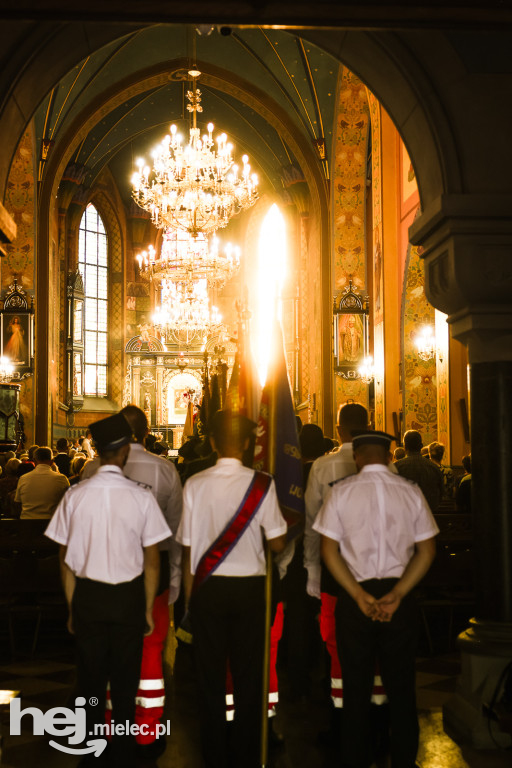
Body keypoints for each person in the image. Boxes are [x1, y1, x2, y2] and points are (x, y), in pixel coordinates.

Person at [45, 412, 171, 768]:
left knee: (90, 681)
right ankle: (123, 753)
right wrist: (147, 608)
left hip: (88, 597)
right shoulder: (142, 497)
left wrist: (73, 607)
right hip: (128, 597)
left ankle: (90, 755)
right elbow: (153, 562)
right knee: (126, 681)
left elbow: (66, 559)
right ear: (126, 451)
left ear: (97, 452)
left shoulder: (75, 496)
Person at [314, 430, 438, 768]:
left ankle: (355, 759)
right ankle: (403, 761)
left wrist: (357, 594)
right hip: (400, 596)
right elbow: (427, 551)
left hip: (356, 597)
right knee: (401, 687)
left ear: (357, 456)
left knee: (355, 690)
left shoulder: (341, 493)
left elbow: (328, 551)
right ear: (388, 455)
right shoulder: (410, 492)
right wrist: (397, 593)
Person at [176, 409, 287, 768]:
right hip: (251, 591)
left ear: (210, 442)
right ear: (245, 443)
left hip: (208, 589)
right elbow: (277, 545)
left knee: (209, 675)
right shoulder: (263, 484)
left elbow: (189, 547)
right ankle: (247, 752)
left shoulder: (194, 484)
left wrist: (190, 599)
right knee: (249, 673)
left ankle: (214, 752)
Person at [304, 402, 372, 710]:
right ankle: (375, 707)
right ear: (368, 426)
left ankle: (342, 708)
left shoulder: (322, 466)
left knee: (334, 638)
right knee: (372, 636)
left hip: (335, 564)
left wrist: (311, 569)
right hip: (374, 566)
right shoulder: (388, 467)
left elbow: (312, 523)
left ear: (338, 429)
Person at [14, 446, 69, 519]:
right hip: (51, 524)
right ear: (52, 461)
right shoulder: (61, 479)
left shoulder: (23, 478)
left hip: (27, 524)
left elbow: (18, 503)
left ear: (34, 461)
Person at [395, 430, 443, 512]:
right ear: (421, 446)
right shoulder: (434, 468)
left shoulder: (396, 467)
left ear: (405, 446)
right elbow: (441, 494)